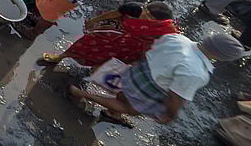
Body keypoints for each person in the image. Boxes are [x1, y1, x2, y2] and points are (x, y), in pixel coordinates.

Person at [67, 32, 246, 125]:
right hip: (151, 86)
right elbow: (176, 97)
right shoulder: (198, 73)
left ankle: (112, 112)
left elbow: (150, 49)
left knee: (124, 94)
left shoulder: (179, 38)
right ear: (220, 56)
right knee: (132, 109)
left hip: (139, 70)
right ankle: (83, 94)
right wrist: (170, 114)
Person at [39, 1, 177, 67]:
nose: (144, 15)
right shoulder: (134, 8)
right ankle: (62, 56)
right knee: (84, 43)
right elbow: (114, 14)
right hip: (113, 34)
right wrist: (93, 22)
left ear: (158, 22)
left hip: (128, 48)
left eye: (150, 16)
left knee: (106, 61)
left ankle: (93, 72)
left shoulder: (162, 32)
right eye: (146, 11)